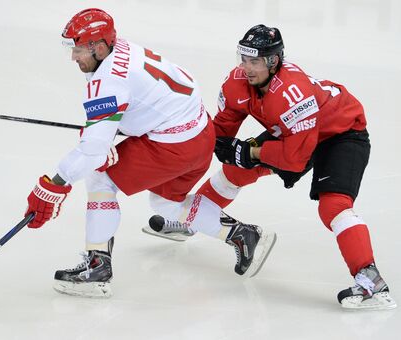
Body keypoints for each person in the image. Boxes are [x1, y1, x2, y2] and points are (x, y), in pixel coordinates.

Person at [24, 8, 272, 298]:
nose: (73, 57)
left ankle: (97, 268)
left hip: (172, 146)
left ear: (99, 47)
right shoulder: (125, 49)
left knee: (100, 179)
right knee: (165, 201)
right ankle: (243, 235)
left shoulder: (108, 82)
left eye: (78, 49)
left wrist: (54, 184)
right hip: (200, 134)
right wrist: (114, 129)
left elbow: (92, 150)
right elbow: (162, 93)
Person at [148, 24, 396, 310]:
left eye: (254, 61)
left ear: (273, 61)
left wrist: (250, 151)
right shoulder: (237, 82)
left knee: (334, 206)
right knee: (235, 171)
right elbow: (222, 130)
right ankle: (193, 219)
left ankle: (371, 281)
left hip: (341, 134)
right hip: (294, 132)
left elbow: (294, 159)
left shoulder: (292, 92)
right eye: (243, 59)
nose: (246, 68)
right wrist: (183, 135)